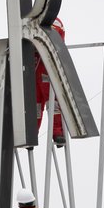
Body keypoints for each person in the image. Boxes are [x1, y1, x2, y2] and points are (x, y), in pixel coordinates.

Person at [36, 17, 66, 147]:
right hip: (31, 67)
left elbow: (56, 39)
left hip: (48, 66)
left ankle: (58, 133)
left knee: (53, 101)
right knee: (33, 104)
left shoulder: (55, 22)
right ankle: (30, 134)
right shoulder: (29, 19)